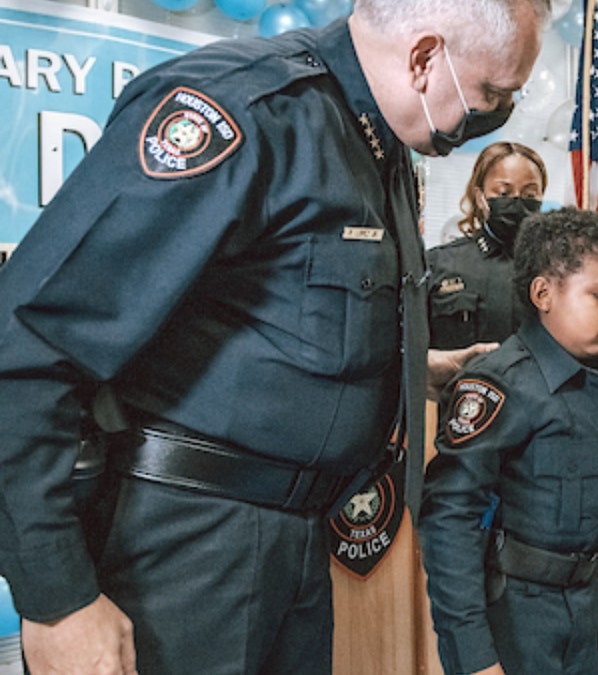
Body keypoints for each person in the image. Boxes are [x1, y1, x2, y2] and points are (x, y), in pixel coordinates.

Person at [0, 0, 548, 673]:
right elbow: (25, 345)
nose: (498, 113)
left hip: (295, 544)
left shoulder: (377, 141)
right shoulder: (246, 114)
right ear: (424, 57)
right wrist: (56, 597)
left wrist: (417, 370)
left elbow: (284, 327)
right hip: (188, 551)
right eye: (493, 93)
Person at [419, 208, 598, 675]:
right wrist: (474, 655)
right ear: (543, 293)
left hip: (582, 611)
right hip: (513, 616)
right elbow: (449, 524)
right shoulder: (499, 384)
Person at [428, 141, 547, 350]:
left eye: (530, 195)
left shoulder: (558, 268)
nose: (517, 202)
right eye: (503, 193)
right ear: (480, 197)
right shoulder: (439, 265)